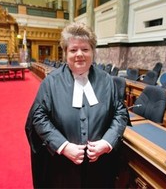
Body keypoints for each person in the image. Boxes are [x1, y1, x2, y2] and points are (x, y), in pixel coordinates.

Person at [25, 22, 131, 188]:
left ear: (93, 52)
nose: (79, 54)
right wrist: (63, 146)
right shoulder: (51, 82)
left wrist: (107, 143)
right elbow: (38, 117)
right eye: (73, 50)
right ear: (65, 53)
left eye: (85, 49)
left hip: (100, 165)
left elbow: (120, 113)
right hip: (62, 166)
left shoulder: (107, 81)